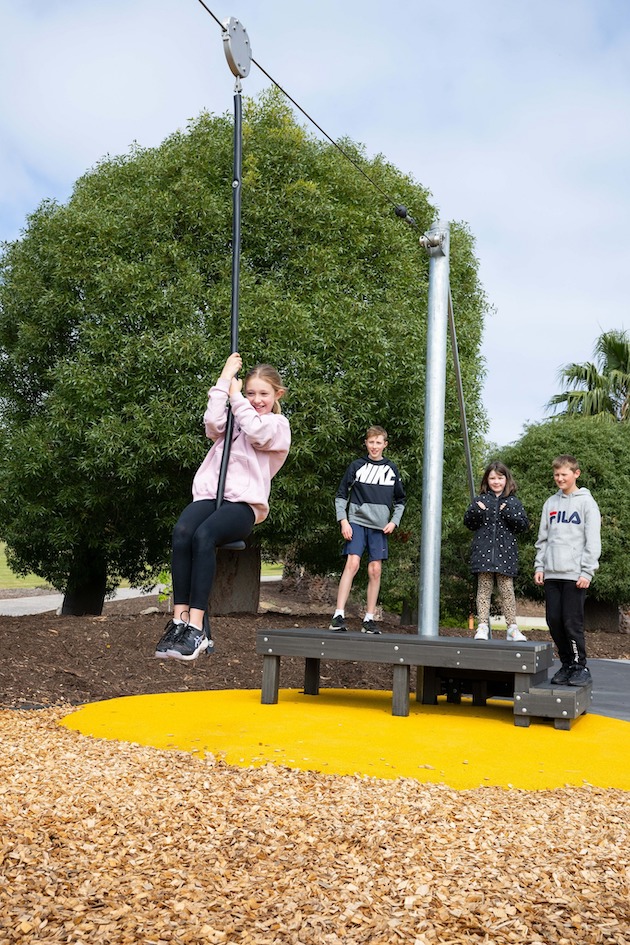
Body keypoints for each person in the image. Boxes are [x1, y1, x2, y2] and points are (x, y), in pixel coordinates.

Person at [155, 353, 290, 661]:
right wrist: (224, 378)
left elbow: (256, 432)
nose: (256, 400)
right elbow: (212, 423)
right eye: (251, 393)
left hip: (243, 504)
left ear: (277, 395)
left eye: (263, 394)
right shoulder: (234, 418)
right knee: (183, 532)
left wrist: (236, 396)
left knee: (205, 537)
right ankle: (180, 620)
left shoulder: (277, 425)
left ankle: (198, 629)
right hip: (209, 495)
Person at [328, 426, 406, 634]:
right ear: (366, 443)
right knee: (352, 563)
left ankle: (369, 618)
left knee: (375, 570)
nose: (374, 446)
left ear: (385, 445)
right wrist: (343, 521)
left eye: (378, 442)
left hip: (379, 527)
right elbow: (341, 495)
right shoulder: (357, 466)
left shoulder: (391, 469)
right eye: (371, 442)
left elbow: (400, 501)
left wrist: (394, 522)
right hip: (356, 521)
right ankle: (338, 615)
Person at [534, 454, 601, 687]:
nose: (559, 478)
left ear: (576, 473)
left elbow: (592, 541)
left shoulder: (586, 503)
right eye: (556, 475)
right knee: (554, 620)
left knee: (571, 622)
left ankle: (580, 666)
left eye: (564, 474)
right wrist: (539, 566)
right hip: (552, 573)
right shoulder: (550, 503)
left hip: (575, 575)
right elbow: (543, 539)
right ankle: (566, 665)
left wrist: (587, 571)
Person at [464, 461, 529, 642]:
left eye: (500, 478)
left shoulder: (513, 502)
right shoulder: (480, 500)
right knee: (484, 589)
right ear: (487, 480)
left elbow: (523, 525)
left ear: (506, 480)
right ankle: (482, 626)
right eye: (492, 478)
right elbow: (468, 522)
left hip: (505, 553)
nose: (496, 482)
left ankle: (512, 628)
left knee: (506, 589)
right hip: (483, 552)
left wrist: (508, 513)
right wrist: (477, 512)